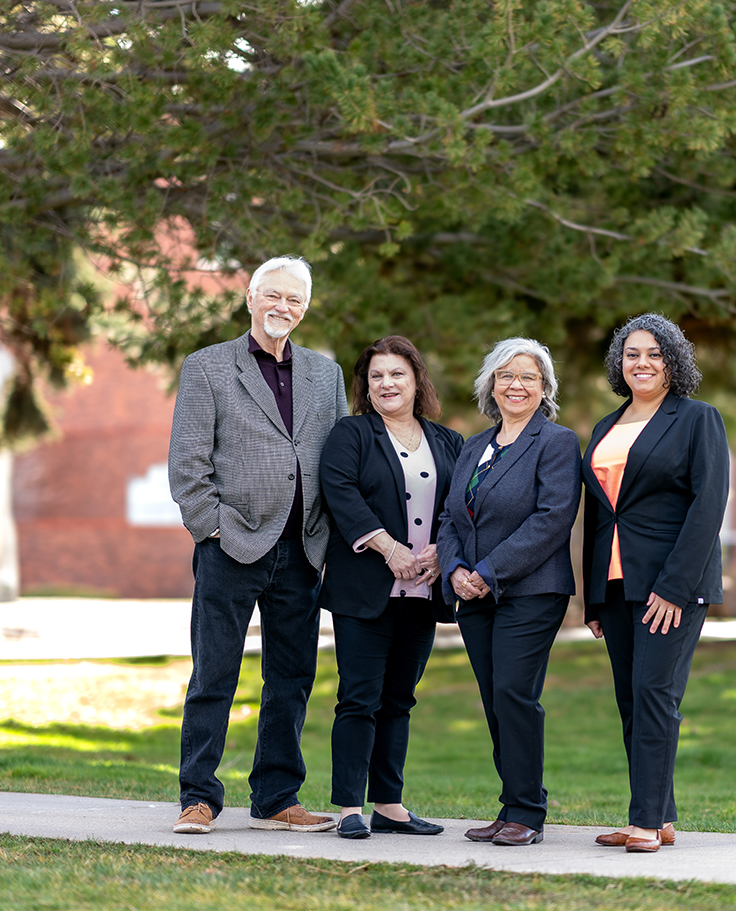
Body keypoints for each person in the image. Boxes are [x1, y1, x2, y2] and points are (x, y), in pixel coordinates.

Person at [167, 255, 348, 835]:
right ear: (249, 297)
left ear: (305, 307)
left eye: (295, 300)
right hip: (231, 544)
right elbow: (188, 462)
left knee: (292, 678)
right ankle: (198, 796)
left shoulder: (327, 375)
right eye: (273, 295)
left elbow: (339, 459)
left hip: (303, 548)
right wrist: (211, 527)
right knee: (214, 673)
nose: (283, 307)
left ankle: (276, 797)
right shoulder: (208, 367)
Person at [581, 313, 729, 853]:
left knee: (654, 694)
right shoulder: (605, 427)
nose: (641, 363)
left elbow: (707, 507)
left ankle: (643, 821)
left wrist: (672, 586)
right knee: (631, 699)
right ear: (620, 363)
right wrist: (593, 596)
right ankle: (659, 815)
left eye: (654, 354)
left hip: (671, 582)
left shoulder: (697, 419)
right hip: (616, 584)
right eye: (631, 354)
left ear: (673, 362)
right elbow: (599, 516)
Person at [436, 338, 581, 848]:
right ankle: (513, 803)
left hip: (532, 590)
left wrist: (489, 570)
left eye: (528, 378)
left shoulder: (556, 442)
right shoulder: (474, 446)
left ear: (544, 389)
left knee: (514, 693)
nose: (516, 385)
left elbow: (552, 519)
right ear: (490, 386)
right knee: (495, 700)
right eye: (506, 376)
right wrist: (454, 569)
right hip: (474, 593)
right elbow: (450, 515)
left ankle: (527, 813)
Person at [318, 336, 464, 839]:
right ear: (366, 385)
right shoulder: (351, 433)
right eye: (376, 376)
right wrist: (389, 548)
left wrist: (444, 551)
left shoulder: (447, 441)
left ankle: (389, 804)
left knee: (399, 699)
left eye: (397, 374)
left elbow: (462, 507)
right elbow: (340, 493)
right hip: (365, 591)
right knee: (359, 698)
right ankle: (348, 808)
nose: (387, 384)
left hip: (422, 593)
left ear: (417, 379)